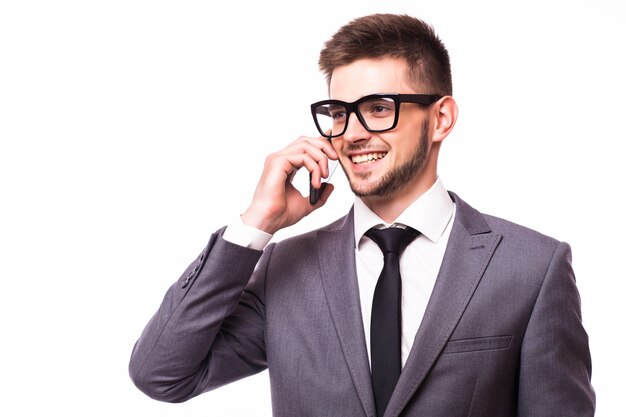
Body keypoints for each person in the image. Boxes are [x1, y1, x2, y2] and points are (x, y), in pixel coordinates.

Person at [129, 13, 595, 417]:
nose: (351, 133)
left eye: (377, 109)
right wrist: (255, 224)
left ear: (441, 119)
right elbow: (162, 374)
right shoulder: (284, 269)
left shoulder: (532, 267)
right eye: (338, 112)